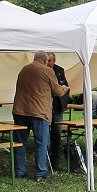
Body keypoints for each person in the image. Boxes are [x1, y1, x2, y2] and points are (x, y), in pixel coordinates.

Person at [13, 50, 70, 181]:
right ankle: (40, 172)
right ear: (45, 60)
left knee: (20, 143)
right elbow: (57, 91)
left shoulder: (24, 69)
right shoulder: (47, 71)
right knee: (41, 142)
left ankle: (19, 171)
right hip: (39, 111)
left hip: (20, 111)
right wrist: (65, 88)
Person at [47, 52, 71, 170]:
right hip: (44, 109)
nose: (47, 63)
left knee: (56, 136)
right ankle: (44, 163)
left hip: (57, 108)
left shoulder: (59, 70)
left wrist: (64, 103)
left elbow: (66, 87)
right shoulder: (41, 71)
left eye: (50, 60)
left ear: (54, 61)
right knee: (44, 137)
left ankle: (55, 163)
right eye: (46, 60)